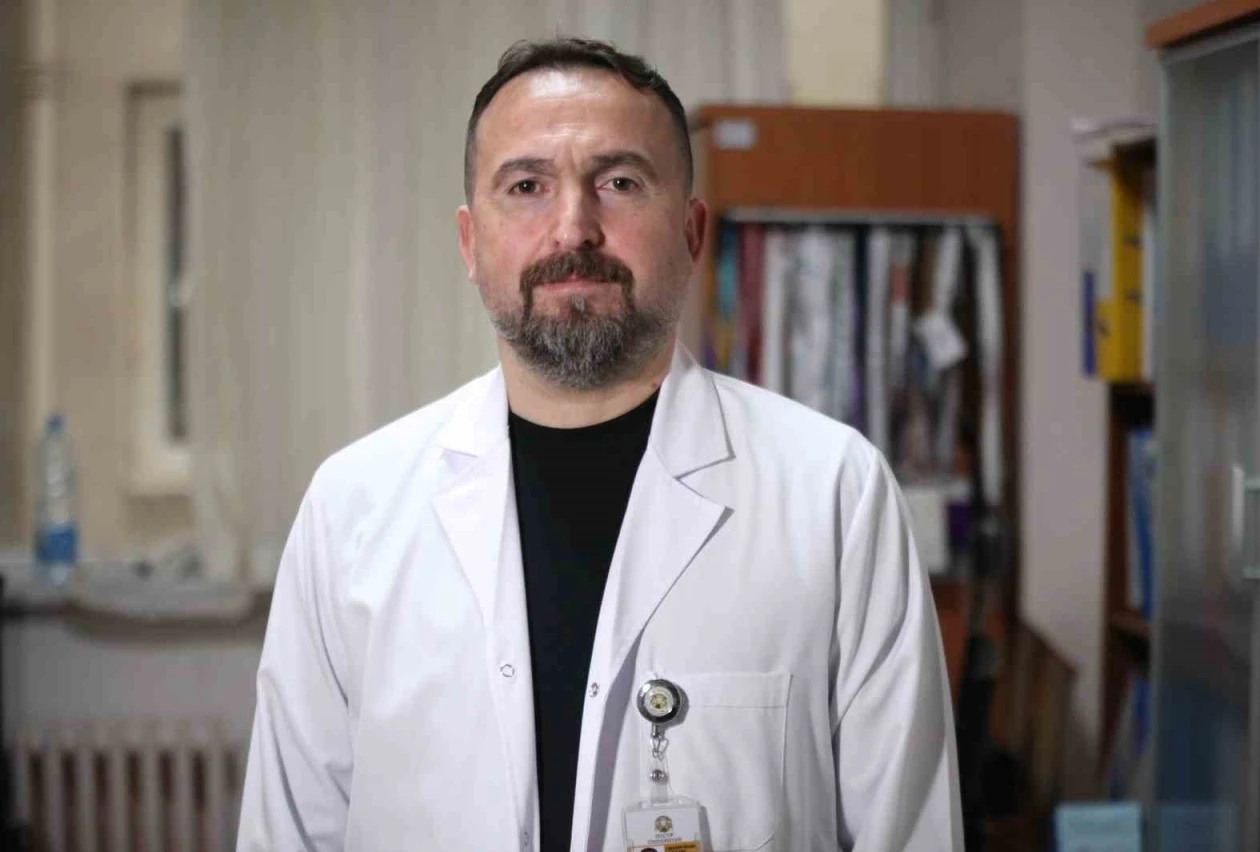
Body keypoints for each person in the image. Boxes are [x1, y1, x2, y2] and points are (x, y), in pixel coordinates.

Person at [237, 36, 962, 852]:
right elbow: (289, 833)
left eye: (619, 182)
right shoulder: (351, 510)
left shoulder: (835, 494)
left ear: (691, 232)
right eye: (526, 186)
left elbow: (911, 834)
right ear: (470, 243)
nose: (573, 228)